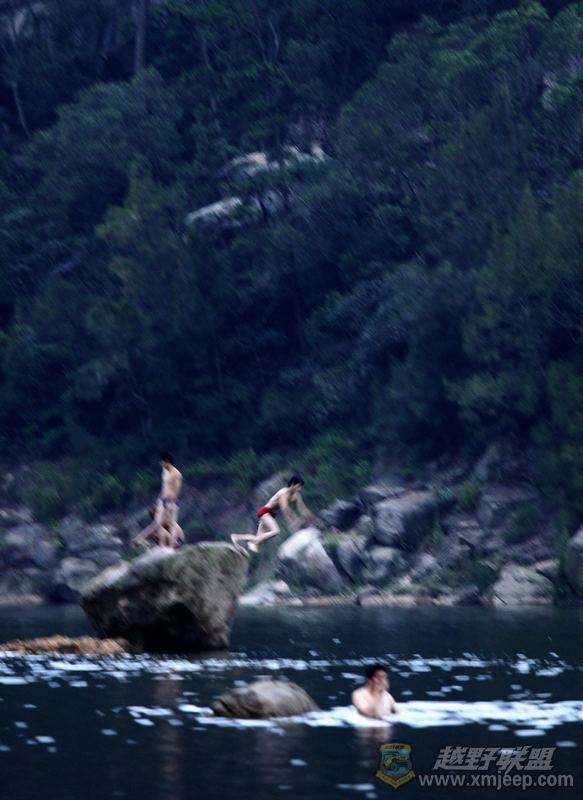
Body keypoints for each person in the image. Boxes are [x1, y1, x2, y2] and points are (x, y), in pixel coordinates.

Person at [230, 474, 312, 553]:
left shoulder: (296, 495)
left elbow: (302, 508)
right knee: (275, 531)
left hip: (271, 515)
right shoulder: (283, 492)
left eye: (300, 487)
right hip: (265, 512)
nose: (299, 489)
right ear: (293, 484)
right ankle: (241, 539)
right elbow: (284, 508)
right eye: (298, 486)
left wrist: (310, 517)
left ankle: (238, 538)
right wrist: (292, 520)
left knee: (258, 539)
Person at [132, 453, 183, 551]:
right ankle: (139, 540)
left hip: (171, 500)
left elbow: (177, 489)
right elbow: (164, 486)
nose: (161, 464)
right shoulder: (164, 471)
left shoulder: (176, 473)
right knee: (157, 523)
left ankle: (172, 545)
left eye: (162, 462)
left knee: (171, 523)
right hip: (163, 499)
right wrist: (159, 499)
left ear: (167, 461)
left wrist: (173, 502)